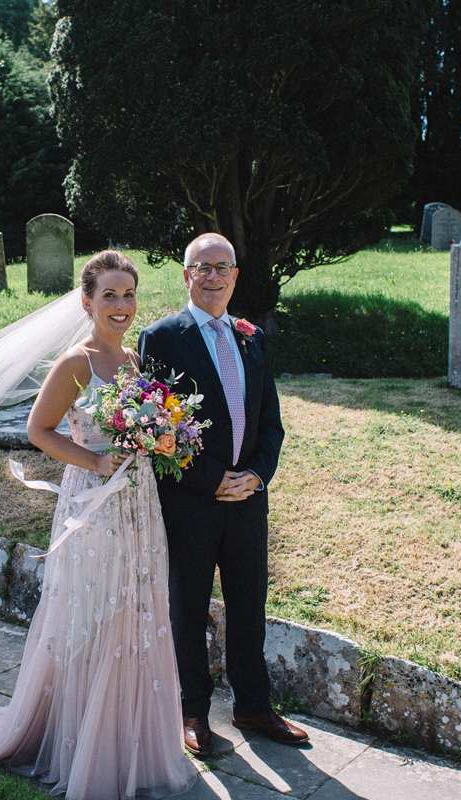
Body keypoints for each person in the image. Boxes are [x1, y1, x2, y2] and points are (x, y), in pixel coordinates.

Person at [0, 251, 196, 800]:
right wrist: (96, 461)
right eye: (109, 295)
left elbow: (147, 426)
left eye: (128, 294)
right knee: (93, 612)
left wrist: (165, 441)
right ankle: (80, 740)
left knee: (135, 608)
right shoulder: (75, 363)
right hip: (94, 501)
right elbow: (39, 430)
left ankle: (130, 739)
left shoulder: (134, 361)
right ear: (87, 302)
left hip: (138, 501)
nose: (121, 305)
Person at [138, 233, 306, 757]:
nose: (213, 276)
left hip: (249, 500)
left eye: (222, 267)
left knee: (249, 603)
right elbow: (152, 428)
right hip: (193, 501)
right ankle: (193, 711)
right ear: (186, 275)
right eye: (201, 267)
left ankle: (253, 705)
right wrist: (212, 478)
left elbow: (270, 423)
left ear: (235, 274)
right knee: (187, 607)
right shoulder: (162, 337)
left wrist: (255, 475)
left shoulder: (251, 336)